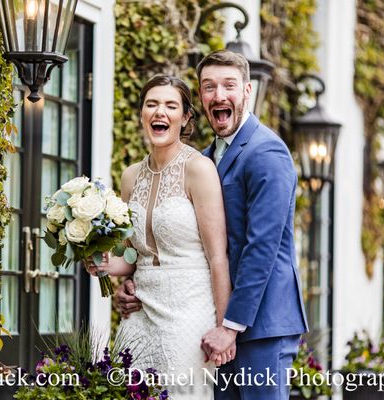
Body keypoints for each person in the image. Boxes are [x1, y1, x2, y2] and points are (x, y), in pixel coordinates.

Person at [116, 50, 309, 400]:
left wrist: (230, 326)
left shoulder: (267, 153)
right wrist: (131, 282)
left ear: (247, 91)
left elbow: (261, 248)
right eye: (209, 87)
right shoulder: (203, 159)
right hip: (207, 320)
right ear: (202, 98)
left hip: (259, 323)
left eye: (229, 85)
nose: (219, 95)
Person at [86, 74, 232, 399]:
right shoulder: (130, 176)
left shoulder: (199, 169)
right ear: (142, 114)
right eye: (151, 104)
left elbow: (218, 257)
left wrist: (224, 329)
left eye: (170, 105)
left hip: (188, 312)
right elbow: (132, 256)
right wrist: (101, 263)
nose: (159, 112)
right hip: (139, 312)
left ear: (185, 118)